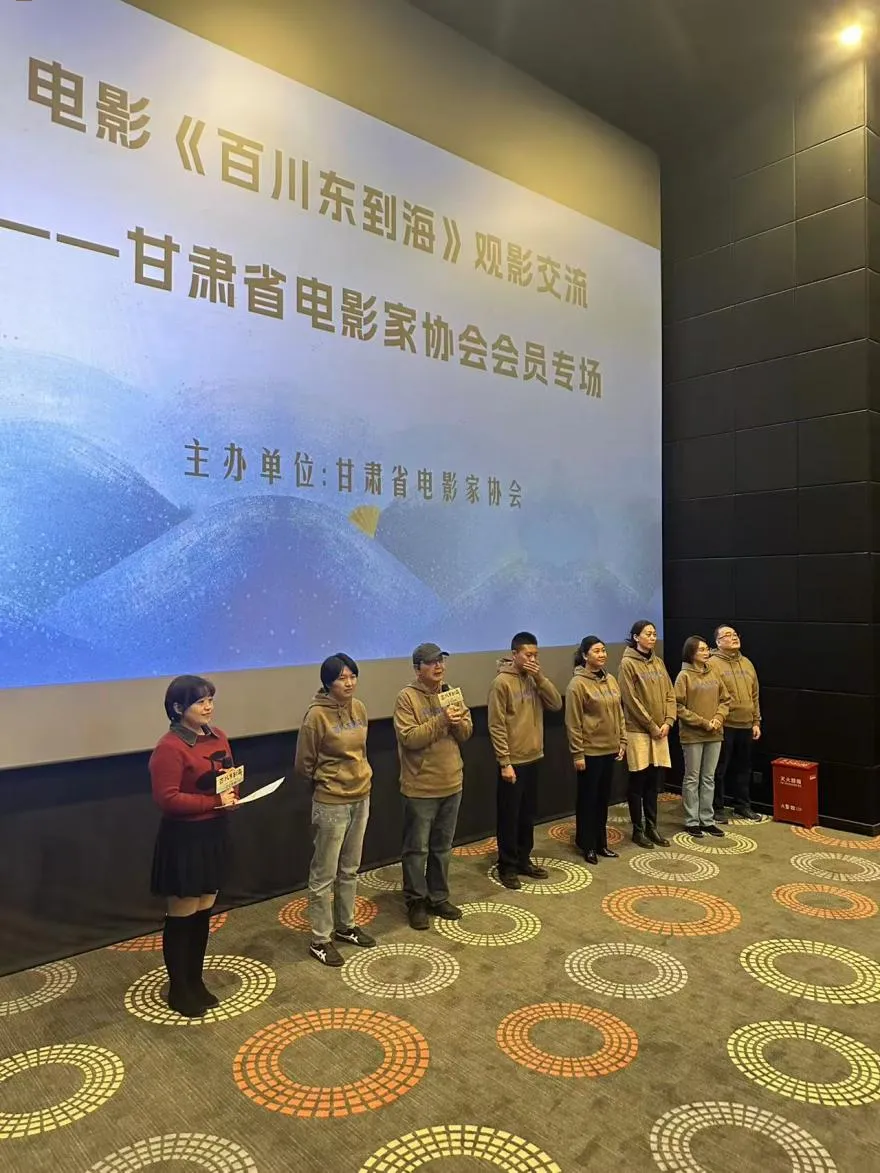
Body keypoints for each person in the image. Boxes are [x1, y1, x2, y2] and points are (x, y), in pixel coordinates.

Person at [149, 675, 239, 1018]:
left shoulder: (219, 736)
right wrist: (214, 802)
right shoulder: (169, 747)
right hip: (185, 839)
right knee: (183, 913)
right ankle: (179, 988)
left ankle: (195, 980)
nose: (208, 707)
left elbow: (229, 777)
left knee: (204, 909)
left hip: (214, 832)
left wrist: (231, 796)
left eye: (210, 700)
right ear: (177, 708)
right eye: (200, 702)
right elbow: (168, 799)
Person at [294, 653, 375, 967]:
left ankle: (346, 925)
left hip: (361, 794)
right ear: (328, 682)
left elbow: (361, 750)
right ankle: (320, 939)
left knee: (350, 868)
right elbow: (304, 763)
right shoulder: (316, 715)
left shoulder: (360, 707)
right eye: (342, 678)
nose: (349, 683)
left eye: (353, 676)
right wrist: (327, 780)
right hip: (331, 800)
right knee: (324, 873)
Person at [393, 643, 473, 930]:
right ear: (418, 669)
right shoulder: (406, 697)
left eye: (441, 661)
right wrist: (441, 720)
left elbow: (466, 732)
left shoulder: (451, 693)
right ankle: (416, 900)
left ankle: (438, 897)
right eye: (431, 662)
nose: (439, 666)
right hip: (421, 787)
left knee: (442, 847)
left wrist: (457, 722)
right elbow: (410, 738)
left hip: (452, 781)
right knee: (417, 849)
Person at [488, 631, 563, 889]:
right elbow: (496, 725)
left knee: (527, 815)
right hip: (513, 762)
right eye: (528, 655)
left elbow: (555, 704)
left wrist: (539, 677)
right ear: (514, 655)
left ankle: (523, 859)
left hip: (533, 757)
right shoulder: (501, 683)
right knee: (509, 817)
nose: (532, 659)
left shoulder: (534, 680)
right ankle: (507, 866)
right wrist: (504, 761)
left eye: (535, 655)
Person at [565, 636, 627, 864]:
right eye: (596, 651)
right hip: (590, 752)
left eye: (603, 650)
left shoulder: (611, 679)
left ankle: (601, 843)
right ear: (584, 655)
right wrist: (577, 753)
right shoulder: (577, 685)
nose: (602, 655)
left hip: (610, 749)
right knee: (588, 800)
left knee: (602, 800)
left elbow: (619, 713)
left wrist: (622, 741)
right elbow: (573, 723)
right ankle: (587, 844)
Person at [618, 620, 676, 849]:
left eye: (654, 634)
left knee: (653, 781)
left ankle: (652, 827)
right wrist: (651, 725)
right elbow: (630, 700)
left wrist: (669, 721)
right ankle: (638, 829)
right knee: (638, 781)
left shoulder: (658, 662)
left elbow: (670, 693)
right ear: (636, 637)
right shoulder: (627, 663)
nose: (652, 637)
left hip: (661, 730)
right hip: (638, 731)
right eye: (648, 634)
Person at [675, 637, 731, 838]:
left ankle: (707, 819)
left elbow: (725, 699)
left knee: (708, 777)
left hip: (715, 733)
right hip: (693, 735)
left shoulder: (714, 671)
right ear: (691, 653)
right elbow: (678, 706)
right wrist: (703, 722)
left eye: (707, 649)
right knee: (692, 777)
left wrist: (718, 718)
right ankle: (692, 820)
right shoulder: (684, 676)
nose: (707, 653)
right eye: (702, 650)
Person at [708, 624, 762, 822]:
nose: (734, 637)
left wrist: (756, 721)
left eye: (735, 634)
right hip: (725, 725)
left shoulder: (747, 663)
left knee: (743, 768)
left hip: (746, 724)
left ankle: (742, 805)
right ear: (718, 642)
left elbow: (755, 695)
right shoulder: (711, 664)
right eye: (727, 635)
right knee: (719, 769)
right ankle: (716, 808)